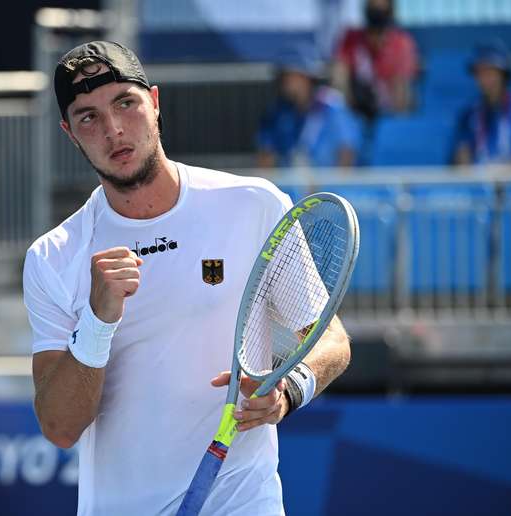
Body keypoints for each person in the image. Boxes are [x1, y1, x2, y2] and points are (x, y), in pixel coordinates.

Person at [23, 41, 351, 515]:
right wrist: (97, 321)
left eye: (125, 103)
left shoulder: (254, 206)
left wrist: (291, 387)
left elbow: (329, 338)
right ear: (69, 133)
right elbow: (59, 427)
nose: (113, 129)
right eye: (88, 117)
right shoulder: (53, 257)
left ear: (154, 103)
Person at [256, 45, 360, 169]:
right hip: (288, 185)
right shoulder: (277, 113)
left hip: (329, 185)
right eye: (283, 76)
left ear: (307, 77)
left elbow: (347, 153)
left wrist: (337, 187)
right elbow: (266, 156)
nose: (286, 82)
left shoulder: (332, 107)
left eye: (292, 75)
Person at [452, 40, 511, 168]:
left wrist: (504, 175)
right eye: (479, 73)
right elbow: (462, 155)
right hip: (478, 183)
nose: (484, 79)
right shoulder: (469, 111)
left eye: (490, 73)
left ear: (505, 75)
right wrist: (475, 177)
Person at [332, 0, 418, 120]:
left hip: (389, 109)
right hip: (357, 106)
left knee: (401, 91)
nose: (377, 14)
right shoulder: (351, 39)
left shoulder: (402, 43)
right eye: (373, 9)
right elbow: (339, 76)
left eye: (381, 11)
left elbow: (401, 93)